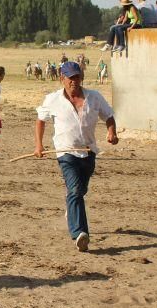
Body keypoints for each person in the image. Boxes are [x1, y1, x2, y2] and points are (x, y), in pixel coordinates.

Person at [34, 61, 118, 253]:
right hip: (65, 152)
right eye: (70, 78)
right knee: (75, 189)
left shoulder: (94, 97)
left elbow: (109, 116)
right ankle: (80, 233)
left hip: (88, 152)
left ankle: (71, 211)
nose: (74, 81)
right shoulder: (53, 99)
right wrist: (39, 145)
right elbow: (40, 121)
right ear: (62, 78)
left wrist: (111, 132)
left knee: (80, 190)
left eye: (77, 77)